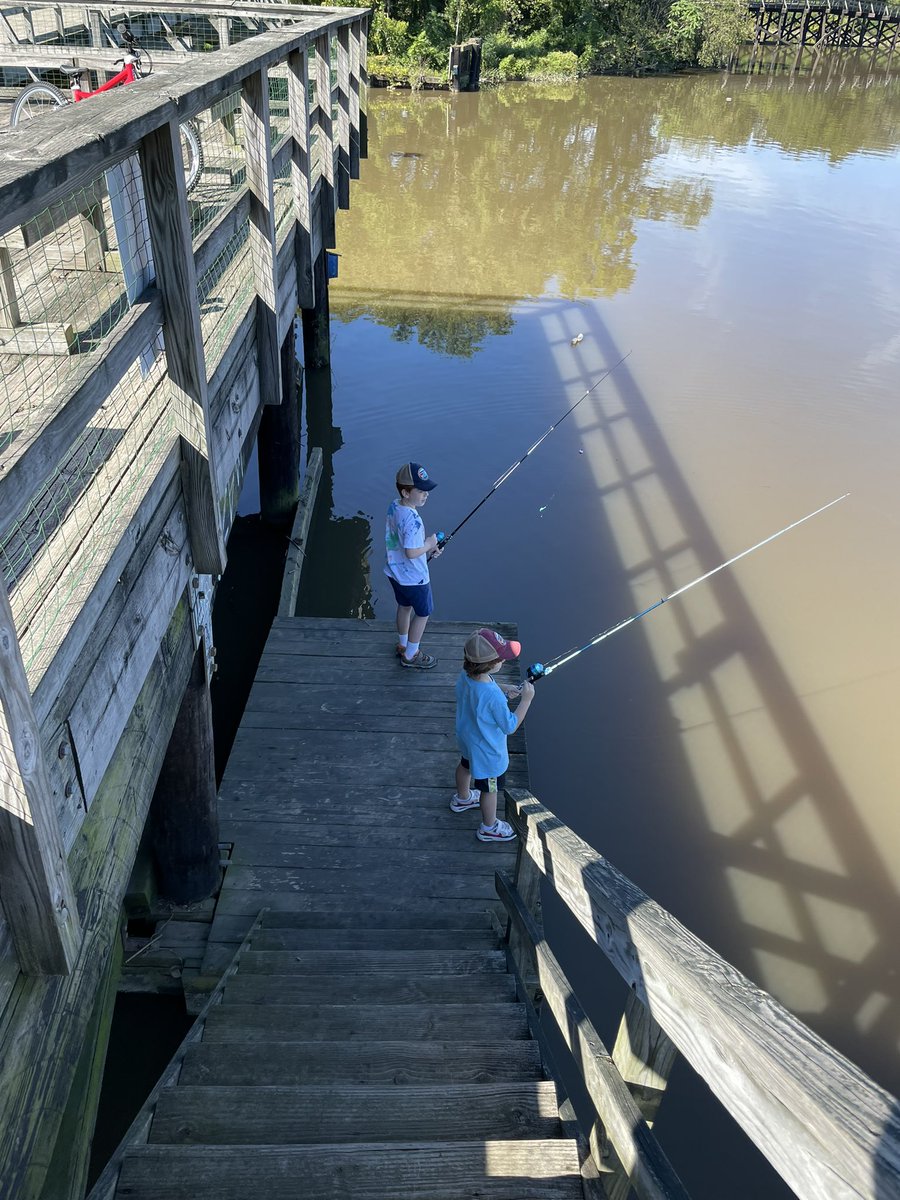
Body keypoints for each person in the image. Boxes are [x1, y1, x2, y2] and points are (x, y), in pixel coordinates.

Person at [452, 627, 535, 842]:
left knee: (465, 765)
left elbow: (482, 694)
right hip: (487, 752)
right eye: (501, 658)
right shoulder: (492, 696)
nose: (504, 661)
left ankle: (462, 798)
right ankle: (489, 827)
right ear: (490, 664)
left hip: (468, 739)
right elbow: (509, 726)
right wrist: (526, 700)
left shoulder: (466, 676)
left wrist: (503, 688)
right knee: (490, 788)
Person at [385, 462, 443, 669]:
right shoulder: (412, 520)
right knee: (423, 613)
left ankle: (402, 644)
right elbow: (411, 552)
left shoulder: (396, 505)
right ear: (406, 492)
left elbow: (403, 544)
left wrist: (428, 547)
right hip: (415, 578)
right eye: (421, 490)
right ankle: (411, 654)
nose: (426, 494)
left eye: (426, 490)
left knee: (404, 606)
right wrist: (428, 544)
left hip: (395, 572)